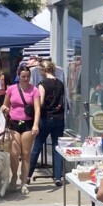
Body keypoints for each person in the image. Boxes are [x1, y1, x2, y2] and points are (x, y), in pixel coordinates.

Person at [1, 64, 40, 195]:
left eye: (27, 76)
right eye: (23, 76)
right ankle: (14, 177)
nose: (25, 79)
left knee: (26, 154)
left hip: (28, 123)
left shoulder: (34, 90)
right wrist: (4, 108)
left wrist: (35, 124)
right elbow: (5, 104)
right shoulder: (11, 89)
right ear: (18, 75)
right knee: (14, 153)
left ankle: (24, 182)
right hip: (14, 122)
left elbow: (37, 109)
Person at [27, 58, 66, 187]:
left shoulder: (42, 84)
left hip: (46, 118)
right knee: (57, 147)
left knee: (37, 146)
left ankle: (28, 174)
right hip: (59, 118)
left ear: (43, 70)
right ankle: (58, 177)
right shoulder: (60, 83)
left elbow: (41, 102)